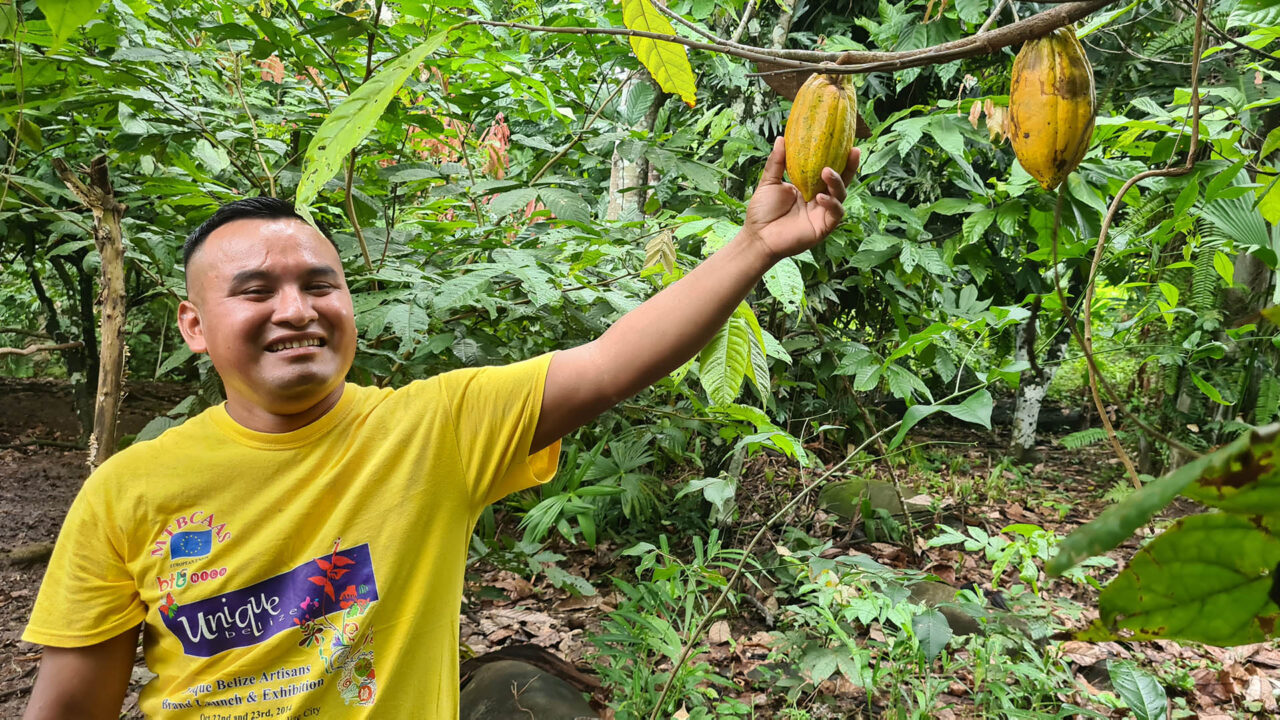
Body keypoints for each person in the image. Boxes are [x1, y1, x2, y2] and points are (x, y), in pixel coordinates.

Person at [21, 137, 859, 719]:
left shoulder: (434, 427)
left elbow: (610, 361)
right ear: (194, 326)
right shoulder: (127, 489)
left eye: (321, 284)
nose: (295, 311)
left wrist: (755, 245)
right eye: (254, 291)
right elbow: (69, 707)